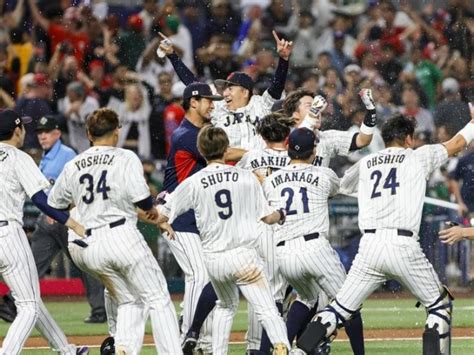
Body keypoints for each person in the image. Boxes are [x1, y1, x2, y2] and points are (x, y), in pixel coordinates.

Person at [291, 106, 474, 355]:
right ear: (408, 138)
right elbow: (455, 144)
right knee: (439, 306)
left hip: (369, 248)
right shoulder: (417, 157)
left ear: (386, 138)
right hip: (403, 245)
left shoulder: (366, 163)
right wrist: (473, 124)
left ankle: (299, 351)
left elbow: (340, 186)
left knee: (338, 310)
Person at [47, 108, 182, 354]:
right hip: (120, 236)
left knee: (130, 299)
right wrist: (155, 214)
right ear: (117, 131)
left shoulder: (73, 164)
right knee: (158, 298)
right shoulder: (125, 157)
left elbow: (54, 205)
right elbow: (142, 200)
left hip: (88, 246)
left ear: (89, 134)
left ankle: (124, 349)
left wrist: (78, 216)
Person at [158, 125, 290, 355]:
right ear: (226, 149)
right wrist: (280, 214)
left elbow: (164, 212)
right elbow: (267, 216)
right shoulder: (247, 177)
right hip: (244, 256)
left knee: (225, 306)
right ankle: (281, 347)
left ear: (201, 149)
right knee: (267, 309)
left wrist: (162, 220)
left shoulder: (194, 182)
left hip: (214, 260)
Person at [0, 115, 106, 325]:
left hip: (65, 217)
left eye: (47, 132)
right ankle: (12, 304)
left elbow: (78, 188)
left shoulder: (67, 154)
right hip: (47, 220)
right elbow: (42, 195)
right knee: (32, 263)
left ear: (58, 133)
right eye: (39, 132)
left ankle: (99, 310)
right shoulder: (43, 156)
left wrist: (72, 218)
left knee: (84, 263)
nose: (42, 136)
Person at [162, 82, 224, 354]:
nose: (213, 104)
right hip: (178, 216)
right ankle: (187, 339)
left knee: (202, 276)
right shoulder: (186, 134)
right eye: (208, 100)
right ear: (193, 102)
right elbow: (223, 153)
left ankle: (196, 338)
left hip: (194, 217)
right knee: (199, 275)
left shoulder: (201, 132)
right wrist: (257, 154)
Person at [158, 30, 292, 151]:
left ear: (245, 92)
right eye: (225, 88)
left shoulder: (260, 104)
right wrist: (172, 56)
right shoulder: (219, 106)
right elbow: (192, 83)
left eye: (230, 88)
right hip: (230, 170)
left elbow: (277, 86)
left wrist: (283, 60)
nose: (226, 92)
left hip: (258, 169)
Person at [283, 88, 376, 168]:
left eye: (316, 105)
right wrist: (313, 112)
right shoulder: (282, 138)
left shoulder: (326, 138)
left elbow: (363, 140)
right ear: (295, 115)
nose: (318, 110)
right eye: (310, 106)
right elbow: (298, 140)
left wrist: (371, 111)